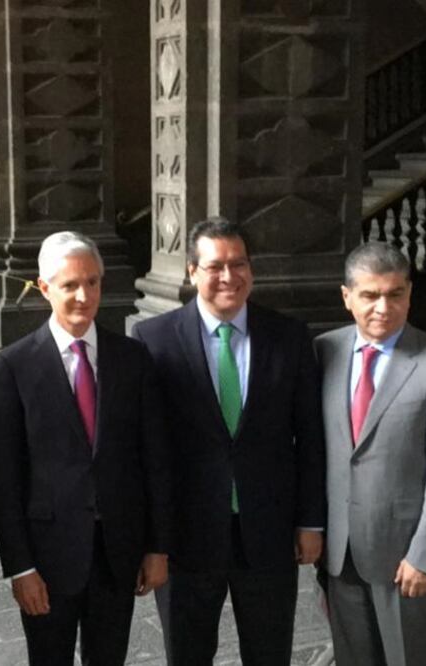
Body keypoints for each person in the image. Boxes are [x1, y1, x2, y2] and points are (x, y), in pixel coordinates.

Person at [132, 217, 326, 665]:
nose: (228, 276)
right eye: (215, 265)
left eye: (238, 264)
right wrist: (152, 539)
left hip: (269, 533)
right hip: (186, 536)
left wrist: (311, 521)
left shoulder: (289, 336)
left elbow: (310, 438)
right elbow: (147, 451)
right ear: (191, 271)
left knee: (269, 652)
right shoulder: (152, 340)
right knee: (187, 654)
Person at [0, 231, 172, 665]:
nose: (83, 295)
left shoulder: (131, 358)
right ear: (44, 287)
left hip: (117, 552)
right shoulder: (13, 365)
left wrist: (157, 546)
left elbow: (154, 459)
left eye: (92, 282)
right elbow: (4, 475)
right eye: (70, 284)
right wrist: (20, 567)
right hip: (48, 558)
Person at [314, 242, 426, 666]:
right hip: (340, 549)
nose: (383, 306)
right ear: (347, 297)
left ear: (409, 294)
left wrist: (425, 554)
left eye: (395, 294)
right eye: (369, 295)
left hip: (405, 554)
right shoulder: (323, 351)